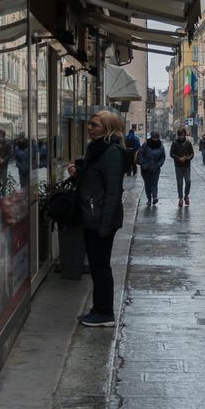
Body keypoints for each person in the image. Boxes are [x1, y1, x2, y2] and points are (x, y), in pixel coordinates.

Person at [69, 110, 126, 327]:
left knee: (101, 266)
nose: (90, 128)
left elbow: (113, 191)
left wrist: (105, 225)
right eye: (90, 124)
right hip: (92, 215)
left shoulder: (111, 152)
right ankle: (99, 308)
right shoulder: (97, 150)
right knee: (96, 265)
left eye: (95, 125)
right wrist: (79, 174)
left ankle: (105, 313)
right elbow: (94, 182)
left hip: (101, 218)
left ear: (108, 128)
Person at [137, 131, 167, 205]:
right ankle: (149, 199)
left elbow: (163, 157)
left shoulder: (160, 146)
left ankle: (154, 197)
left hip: (155, 168)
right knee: (147, 184)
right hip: (146, 168)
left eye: (156, 138)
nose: (155, 139)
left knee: (154, 183)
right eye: (154, 138)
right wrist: (143, 164)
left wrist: (158, 165)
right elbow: (140, 154)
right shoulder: (146, 144)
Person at [170, 128, 194, 206]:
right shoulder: (175, 143)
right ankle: (180, 198)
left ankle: (186, 196)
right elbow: (171, 154)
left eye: (183, 135)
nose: (181, 136)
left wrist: (188, 158)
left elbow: (192, 154)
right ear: (178, 135)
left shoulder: (188, 143)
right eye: (180, 135)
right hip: (178, 166)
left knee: (188, 181)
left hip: (187, 165)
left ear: (185, 135)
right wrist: (178, 158)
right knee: (179, 183)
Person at [0, 129, 12, 196]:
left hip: (4, 167)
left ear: (4, 136)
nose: (1, 138)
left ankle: (4, 196)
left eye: (2, 136)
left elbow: (9, 155)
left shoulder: (7, 144)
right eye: (0, 136)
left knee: (4, 182)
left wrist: (4, 160)